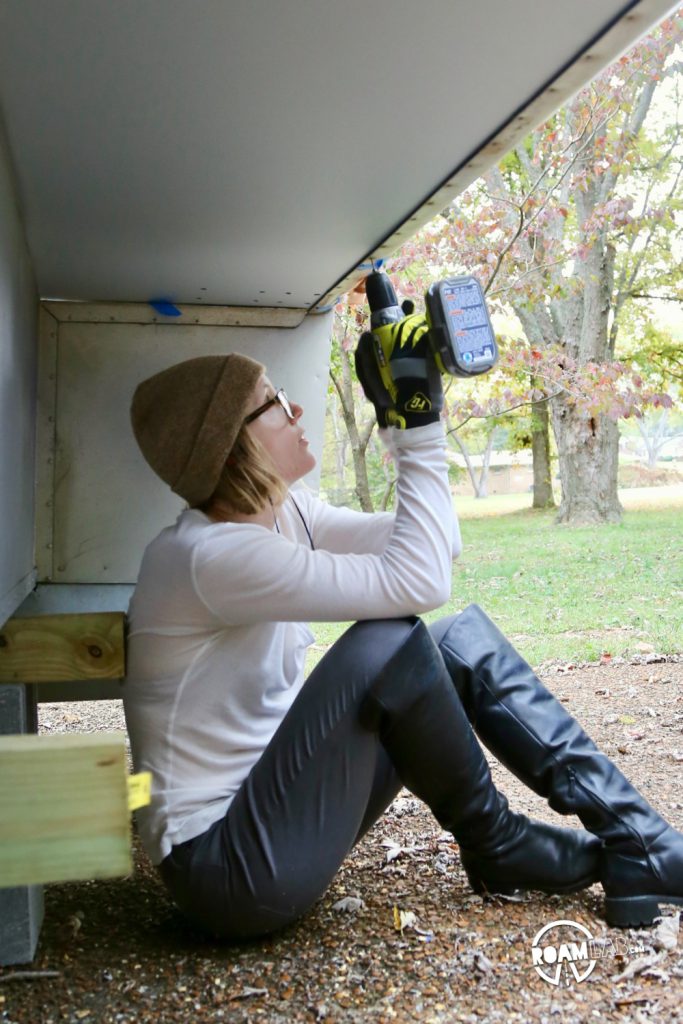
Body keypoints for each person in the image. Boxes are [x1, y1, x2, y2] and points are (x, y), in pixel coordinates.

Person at [124, 337, 683, 942]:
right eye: (274, 402)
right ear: (235, 442)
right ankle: (496, 840)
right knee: (387, 642)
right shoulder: (208, 557)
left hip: (277, 816)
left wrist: (399, 423)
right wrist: (422, 431)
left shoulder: (286, 515)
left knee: (450, 644)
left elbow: (438, 545)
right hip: (225, 870)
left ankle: (640, 841)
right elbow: (417, 580)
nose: (296, 411)